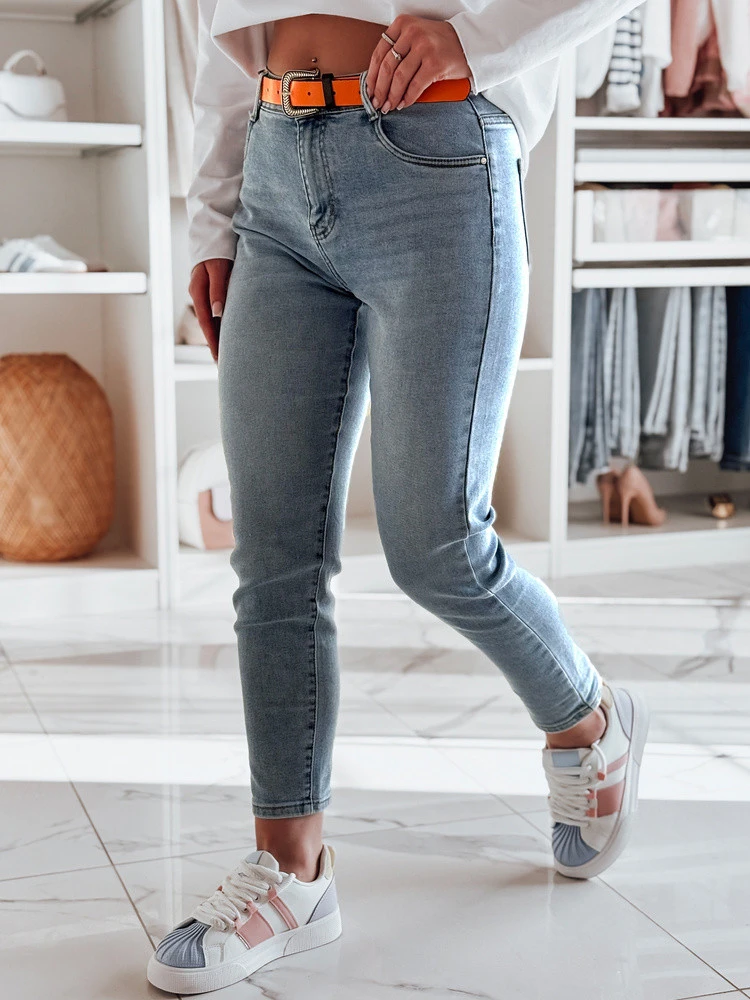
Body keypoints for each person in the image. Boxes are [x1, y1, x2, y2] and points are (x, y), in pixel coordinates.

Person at [148, 4, 648, 994]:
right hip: (273, 161)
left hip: (439, 158)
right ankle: (294, 873)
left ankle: (589, 720)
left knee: (438, 543)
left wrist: (480, 38)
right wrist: (212, 210)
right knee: (273, 553)